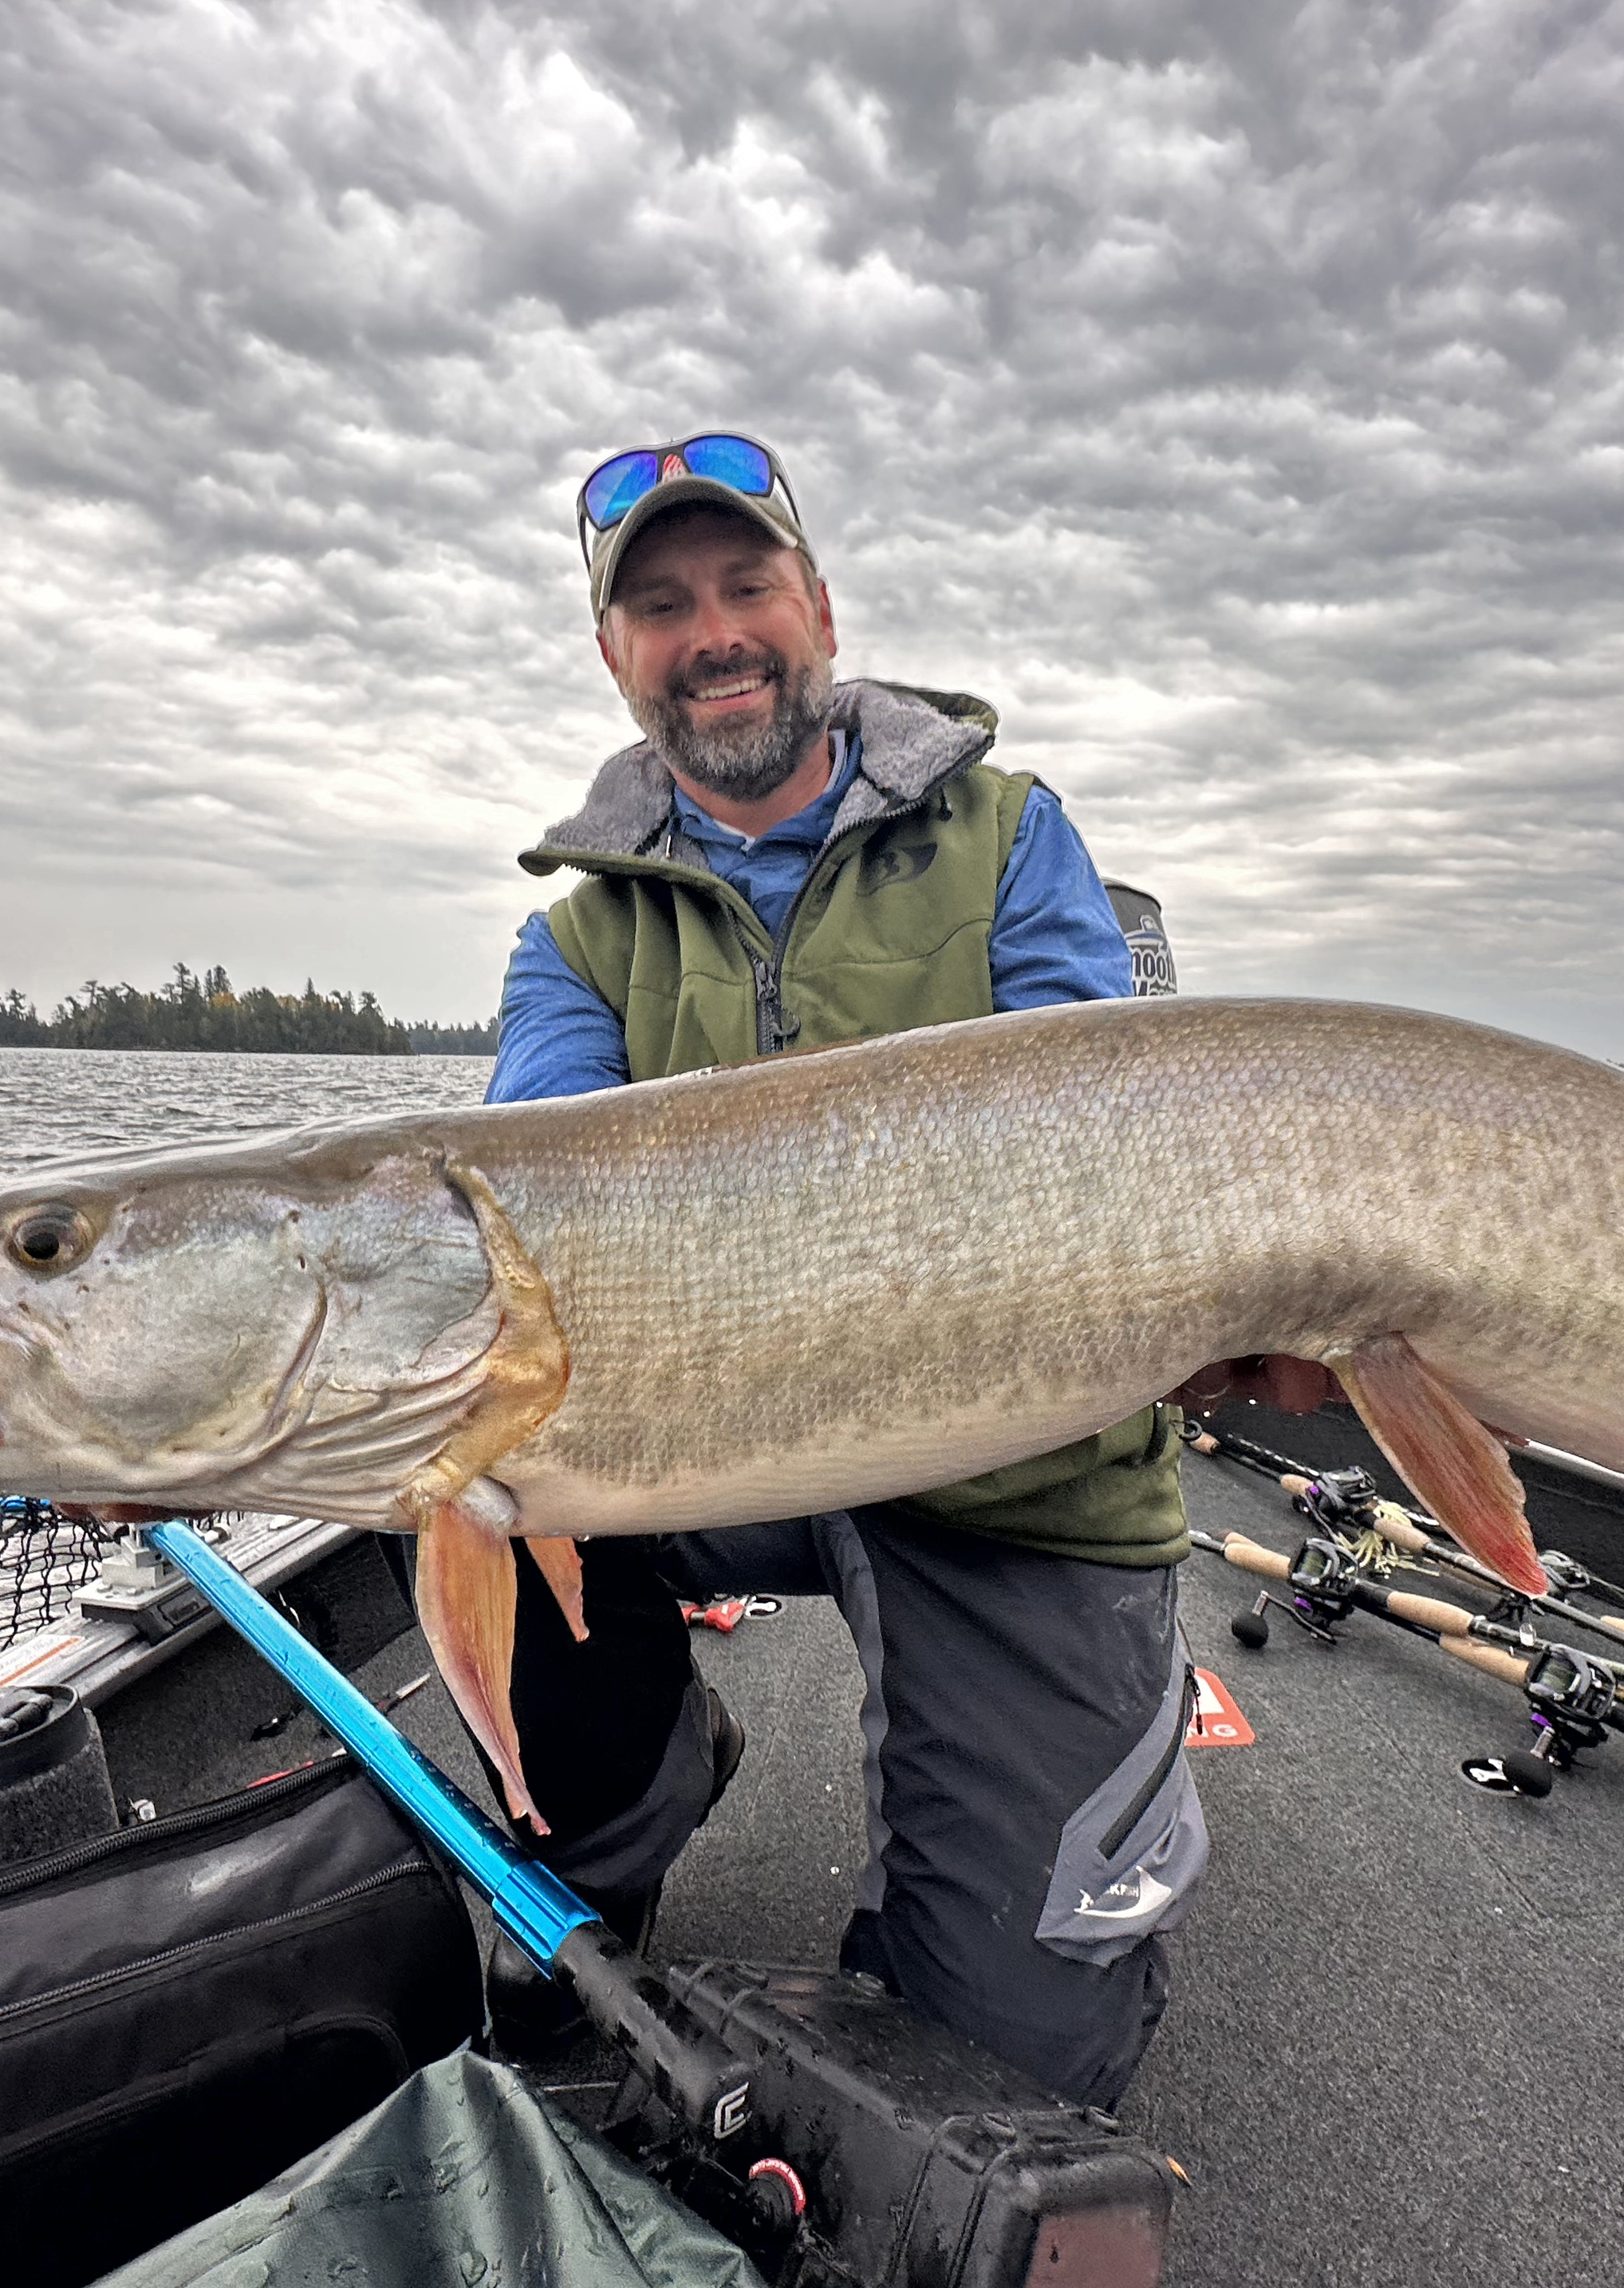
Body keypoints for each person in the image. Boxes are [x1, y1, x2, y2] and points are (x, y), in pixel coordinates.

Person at [473, 432, 1204, 2109]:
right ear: (614, 656)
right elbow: (549, 1209)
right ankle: (617, 1798)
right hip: (716, 1438)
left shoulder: (1011, 835)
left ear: (816, 606)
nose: (711, 630)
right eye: (660, 606)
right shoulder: (575, 934)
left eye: (743, 586)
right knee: (447, 1455)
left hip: (1006, 1457)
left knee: (1007, 2061)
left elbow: (1107, 1124)